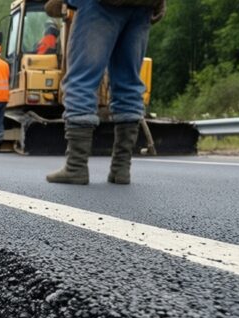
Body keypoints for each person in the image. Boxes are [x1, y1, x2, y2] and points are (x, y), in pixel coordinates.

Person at [46, 0, 166, 185]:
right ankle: (121, 168)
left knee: (82, 79)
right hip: (144, 4)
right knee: (129, 82)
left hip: (102, 4)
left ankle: (76, 166)